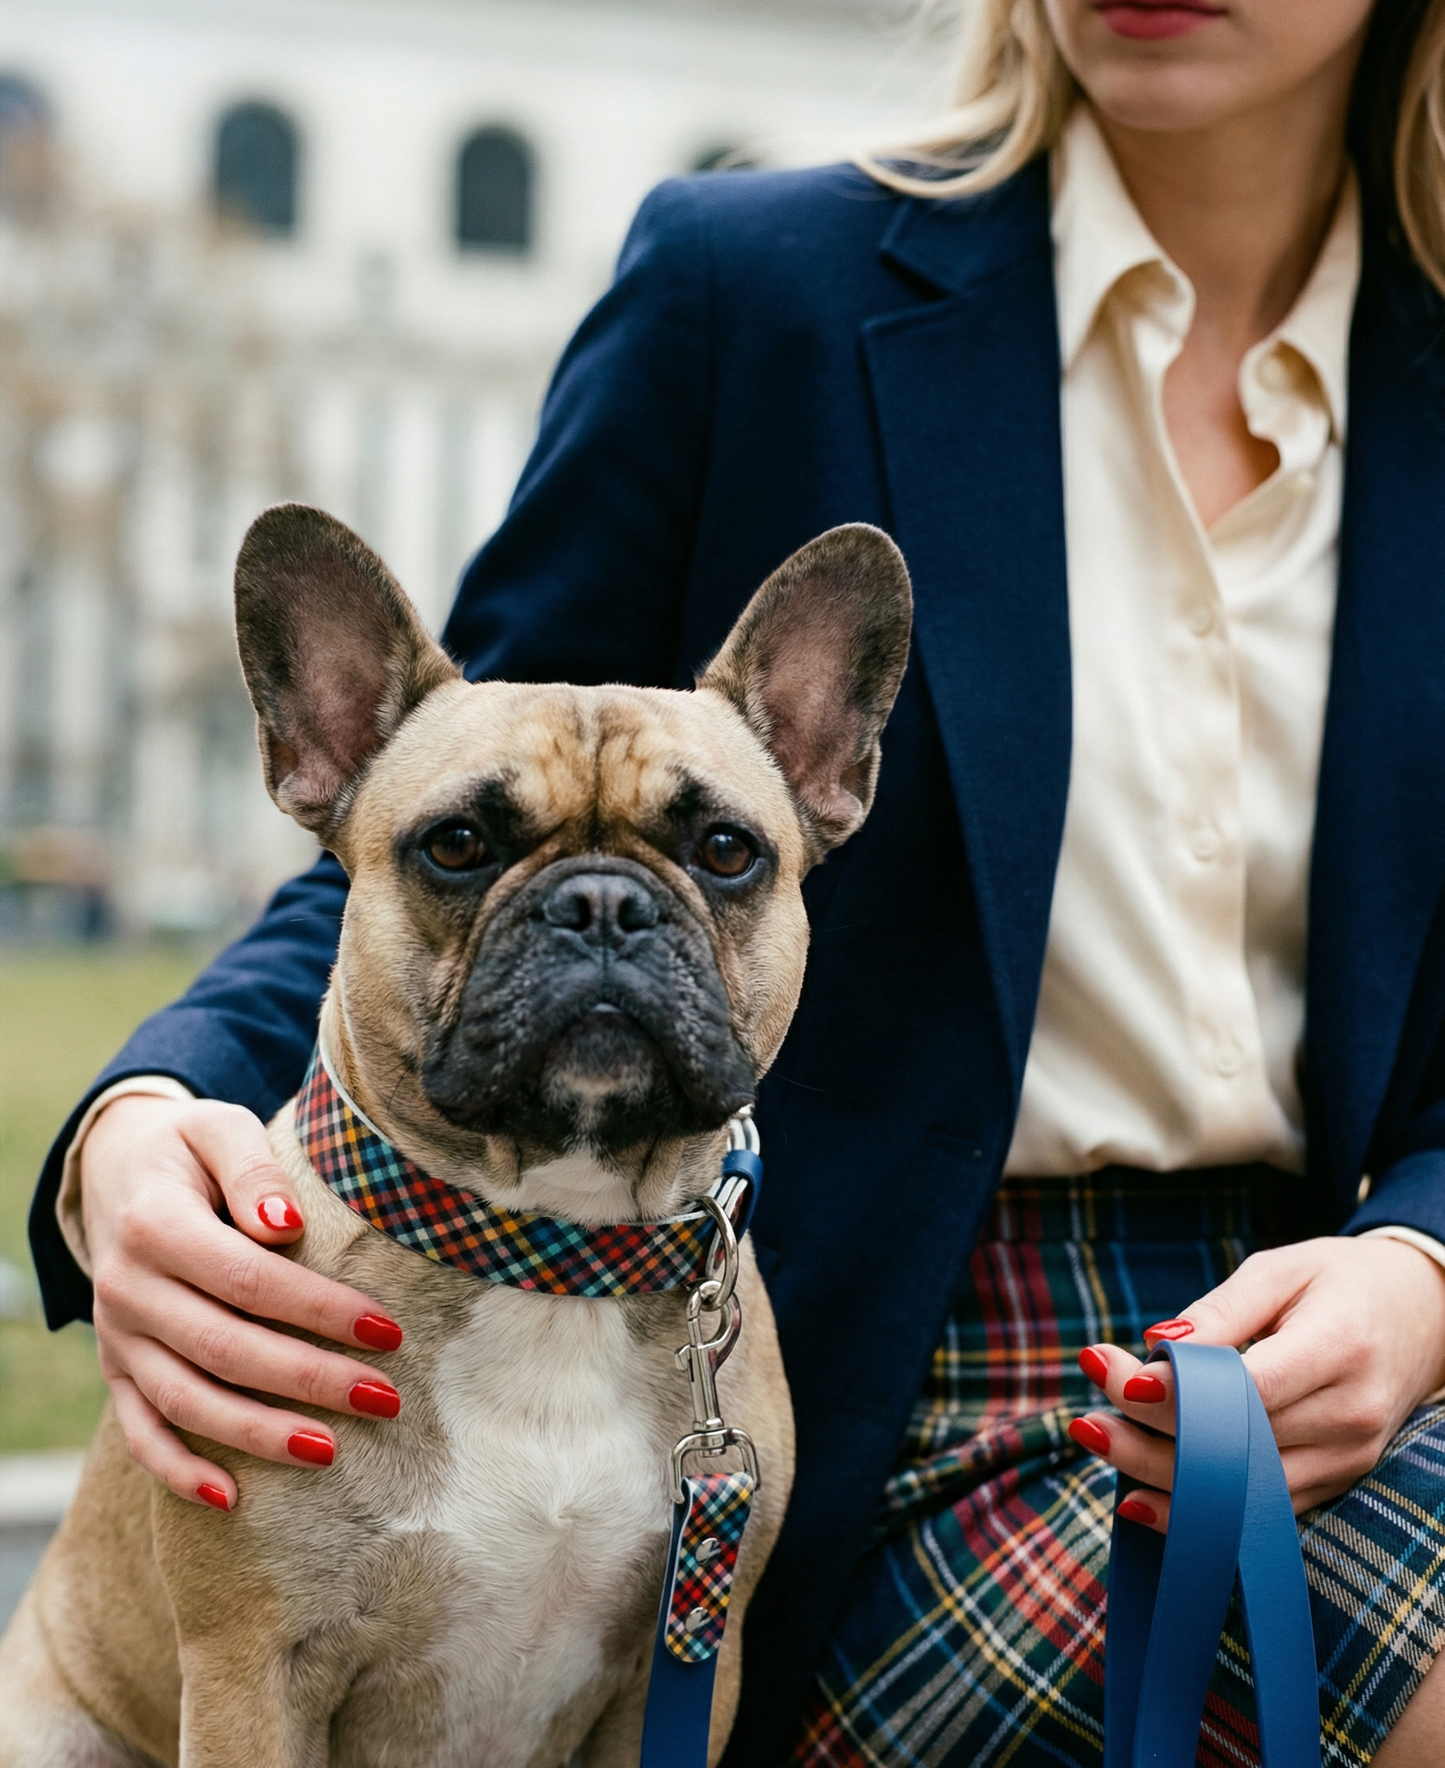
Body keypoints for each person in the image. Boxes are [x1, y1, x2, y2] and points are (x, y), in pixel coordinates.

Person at [27, 0, 1445, 1760]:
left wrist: (1429, 1265)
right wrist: (143, 1113)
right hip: (857, 1368)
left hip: (1345, 1332)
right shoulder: (752, 291)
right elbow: (451, 809)